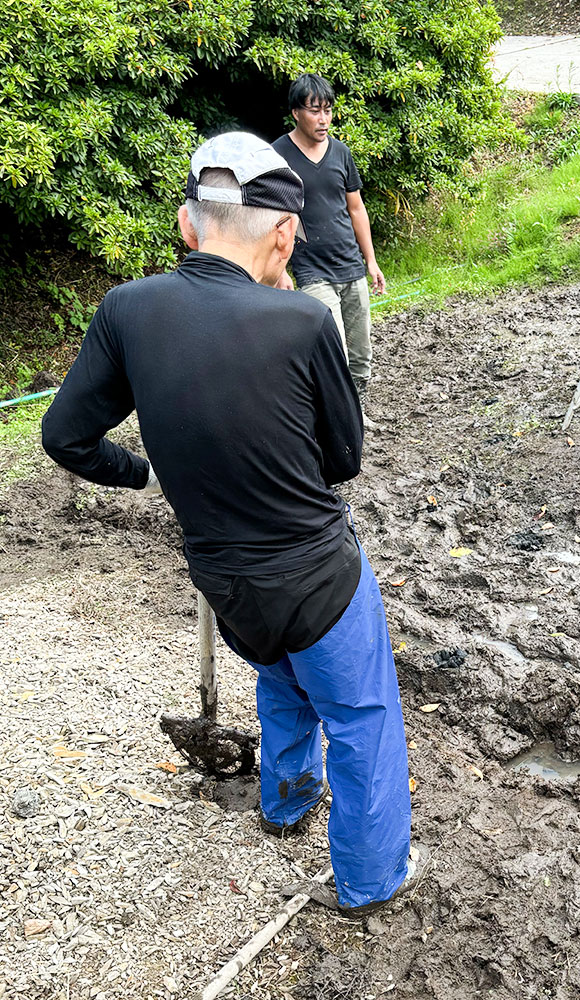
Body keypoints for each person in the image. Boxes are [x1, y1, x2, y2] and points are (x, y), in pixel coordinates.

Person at [40, 132, 413, 915]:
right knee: (362, 719)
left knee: (279, 676)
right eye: (295, 238)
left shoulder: (127, 311)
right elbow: (343, 460)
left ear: (188, 224)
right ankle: (372, 882)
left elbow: (64, 438)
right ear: (282, 233)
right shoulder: (303, 323)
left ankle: (284, 804)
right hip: (318, 578)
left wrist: (142, 471)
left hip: (223, 579)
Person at [273, 73, 385, 405]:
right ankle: (332, 417)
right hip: (312, 271)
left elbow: (356, 208)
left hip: (351, 266)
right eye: (314, 111)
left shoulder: (341, 153)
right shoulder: (279, 155)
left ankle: (356, 413)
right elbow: (274, 217)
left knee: (361, 353)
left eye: (328, 110)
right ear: (296, 112)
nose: (323, 119)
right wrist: (279, 271)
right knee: (333, 352)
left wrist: (371, 260)